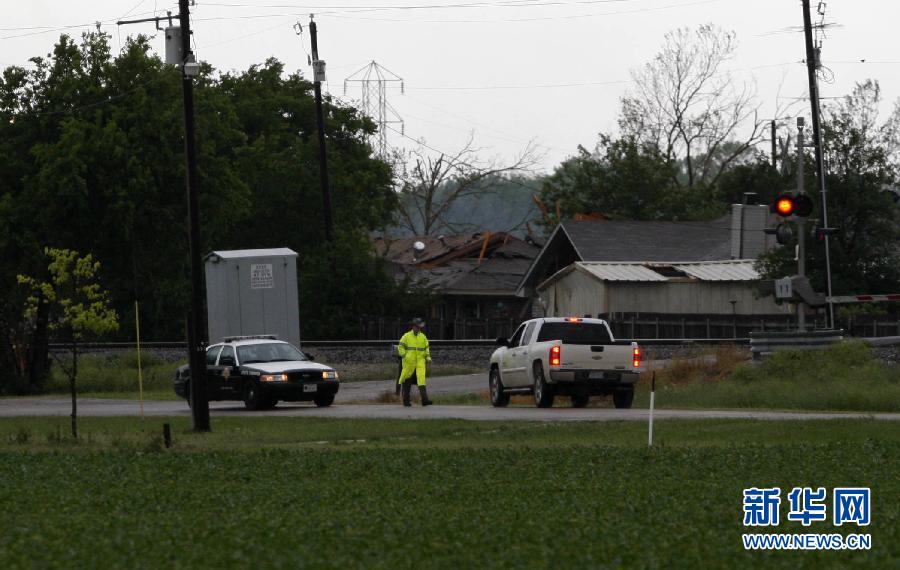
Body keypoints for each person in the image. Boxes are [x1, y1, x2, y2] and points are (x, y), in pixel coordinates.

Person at [396, 317, 433, 407]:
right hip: (409, 364)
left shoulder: (423, 337)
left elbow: (426, 348)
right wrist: (405, 356)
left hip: (420, 364)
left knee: (421, 381)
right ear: (413, 326)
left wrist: (428, 357)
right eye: (417, 326)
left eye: (420, 327)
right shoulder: (406, 336)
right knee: (407, 382)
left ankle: (425, 400)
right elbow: (400, 347)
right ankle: (406, 401)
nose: (419, 328)